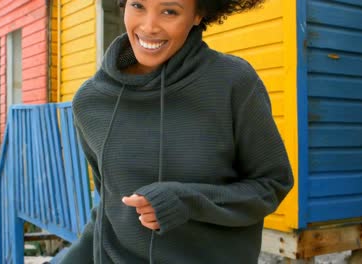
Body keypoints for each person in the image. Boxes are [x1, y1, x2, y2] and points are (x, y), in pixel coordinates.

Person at [59, 0, 293, 263]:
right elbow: (109, 206)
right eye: (138, 6)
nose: (149, 26)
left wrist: (187, 201)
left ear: (198, 14)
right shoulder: (90, 102)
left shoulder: (233, 83)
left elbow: (272, 184)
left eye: (169, 11)